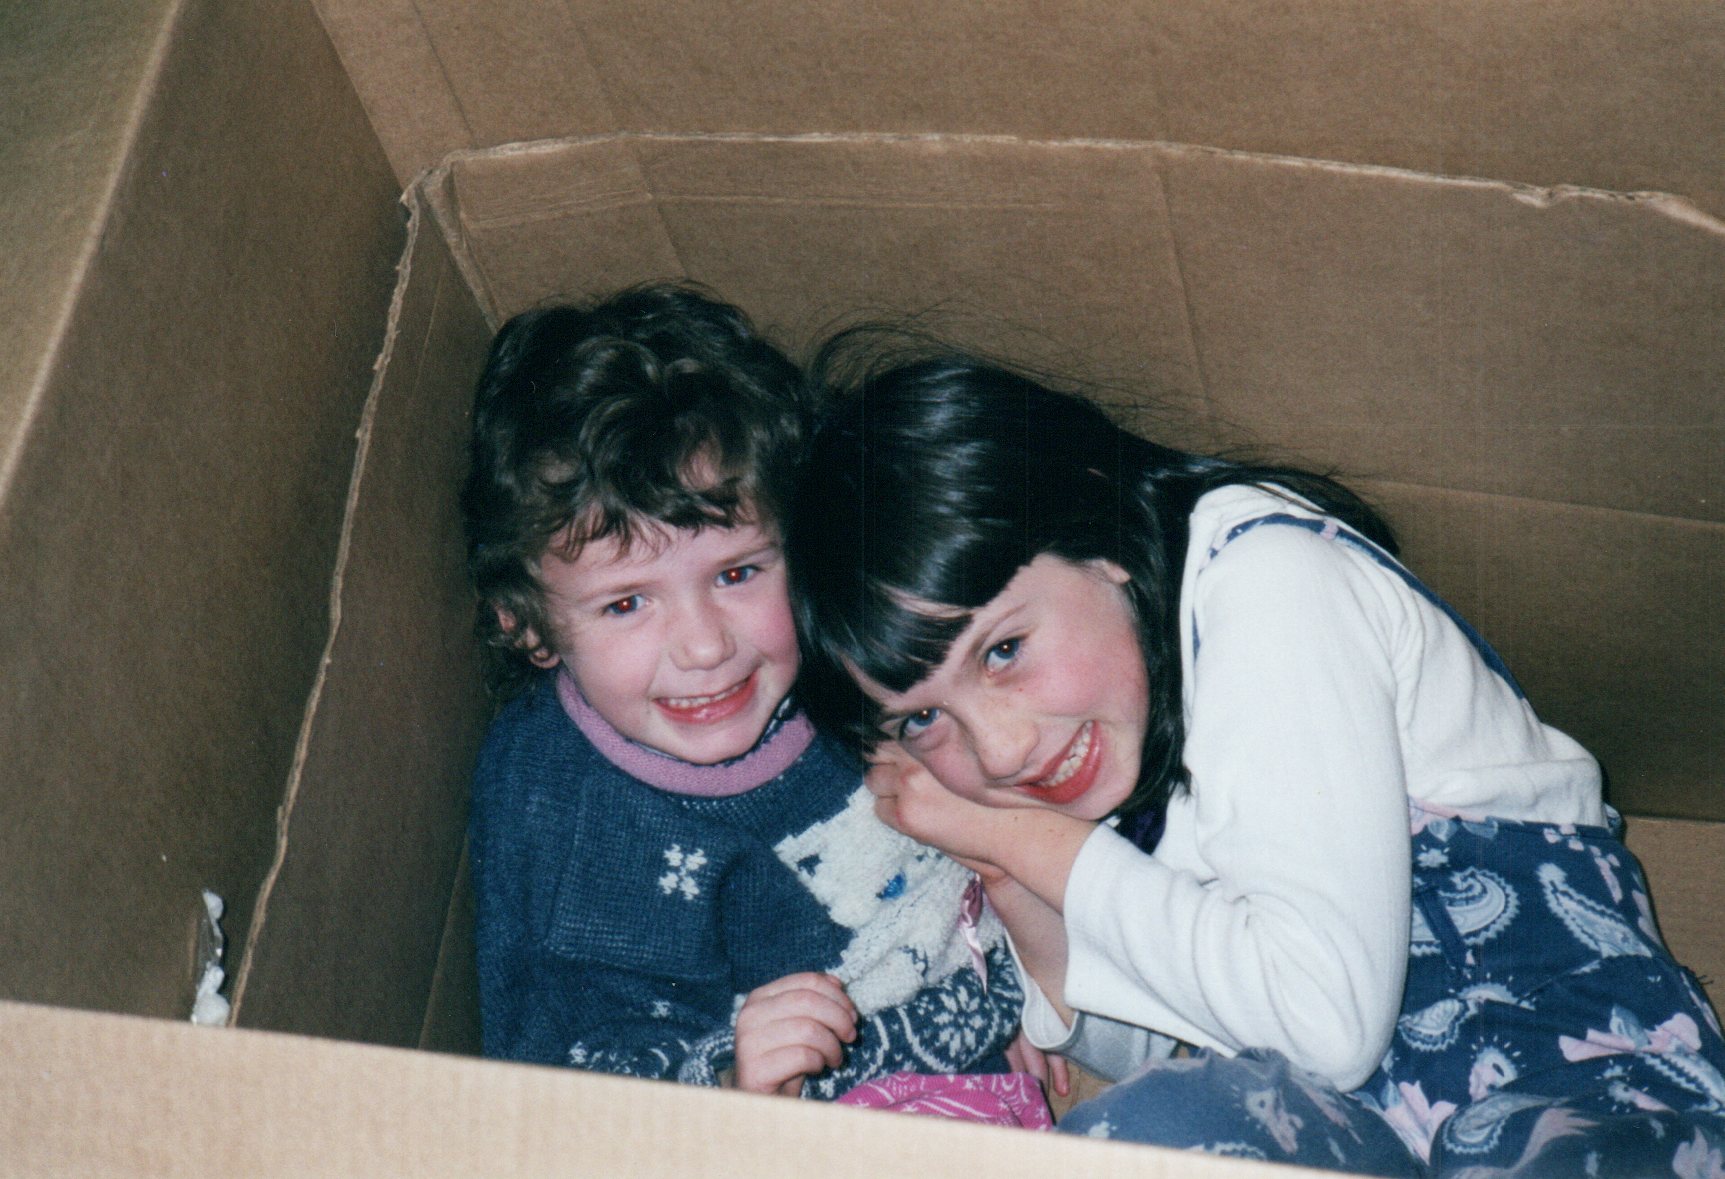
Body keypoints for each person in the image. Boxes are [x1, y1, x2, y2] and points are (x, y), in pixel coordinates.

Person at [785, 340, 1725, 1173]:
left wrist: (1037, 845)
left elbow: (1323, 1026)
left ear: (1099, 540)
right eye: (919, 721)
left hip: (1568, 1075)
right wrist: (1012, 879)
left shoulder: (1267, 582)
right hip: (1365, 1133)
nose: (998, 748)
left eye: (1002, 650)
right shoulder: (1084, 751)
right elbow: (1178, 1058)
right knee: (1150, 1123)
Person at [460, 285, 1027, 1101]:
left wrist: (1026, 990)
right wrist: (733, 1088)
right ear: (528, 625)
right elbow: (556, 1077)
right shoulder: (555, 809)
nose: (704, 646)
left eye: (736, 573)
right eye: (626, 602)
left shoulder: (842, 638)